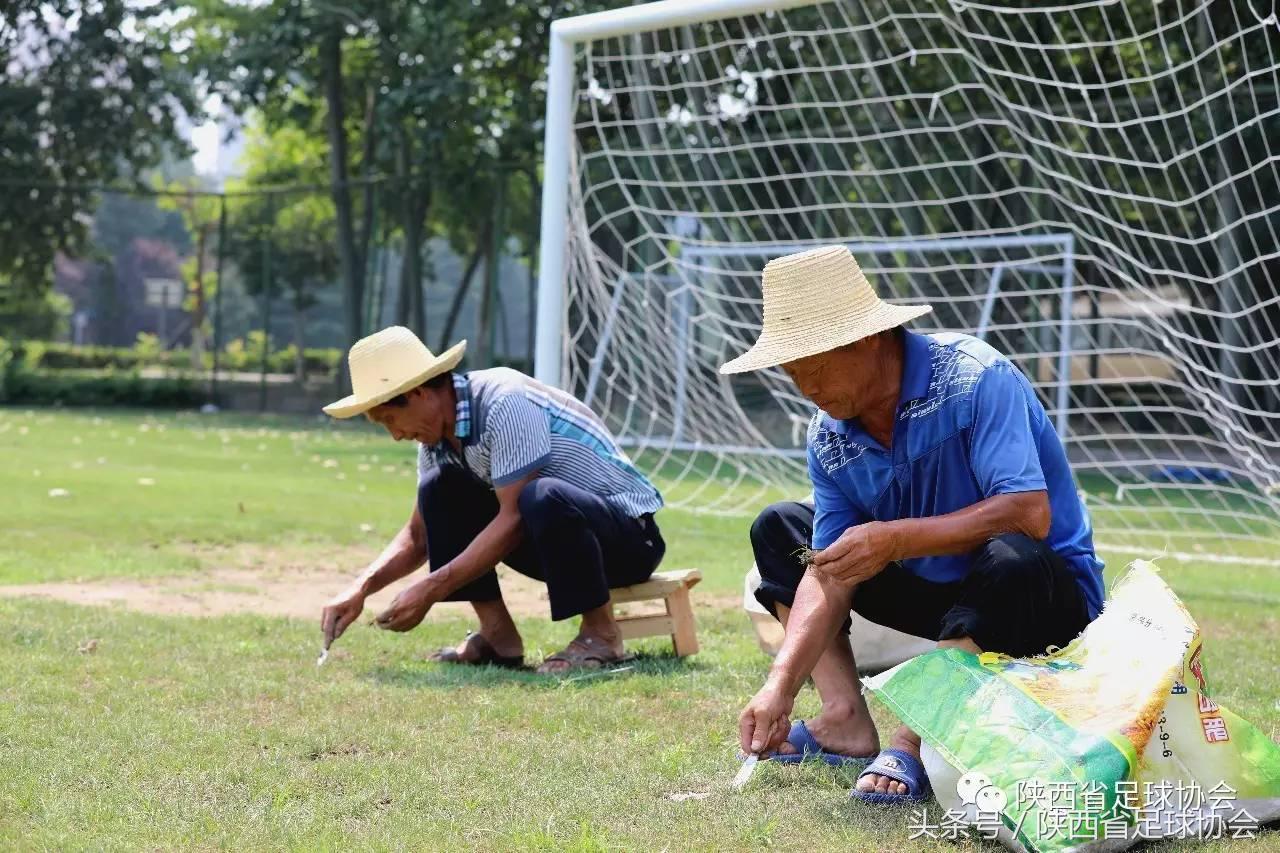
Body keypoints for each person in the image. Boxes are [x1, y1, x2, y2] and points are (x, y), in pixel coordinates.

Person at [721, 246, 1104, 803]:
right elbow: (828, 574)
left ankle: (913, 739)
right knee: (784, 530)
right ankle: (843, 719)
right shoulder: (828, 436)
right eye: (791, 372)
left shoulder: (976, 377)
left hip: (1043, 597)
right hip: (948, 600)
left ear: (865, 340)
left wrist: (895, 537)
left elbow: (1029, 513)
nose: (805, 387)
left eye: (814, 367)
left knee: (1011, 556)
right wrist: (778, 685)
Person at [318, 326, 666, 674]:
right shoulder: (436, 441)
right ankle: (499, 638)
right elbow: (418, 536)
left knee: (541, 494)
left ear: (420, 393)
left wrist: (429, 588)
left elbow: (514, 518)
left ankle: (602, 635)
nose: (395, 435)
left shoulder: (505, 401)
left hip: (630, 542)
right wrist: (359, 589)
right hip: (554, 541)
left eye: (390, 419)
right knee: (440, 488)